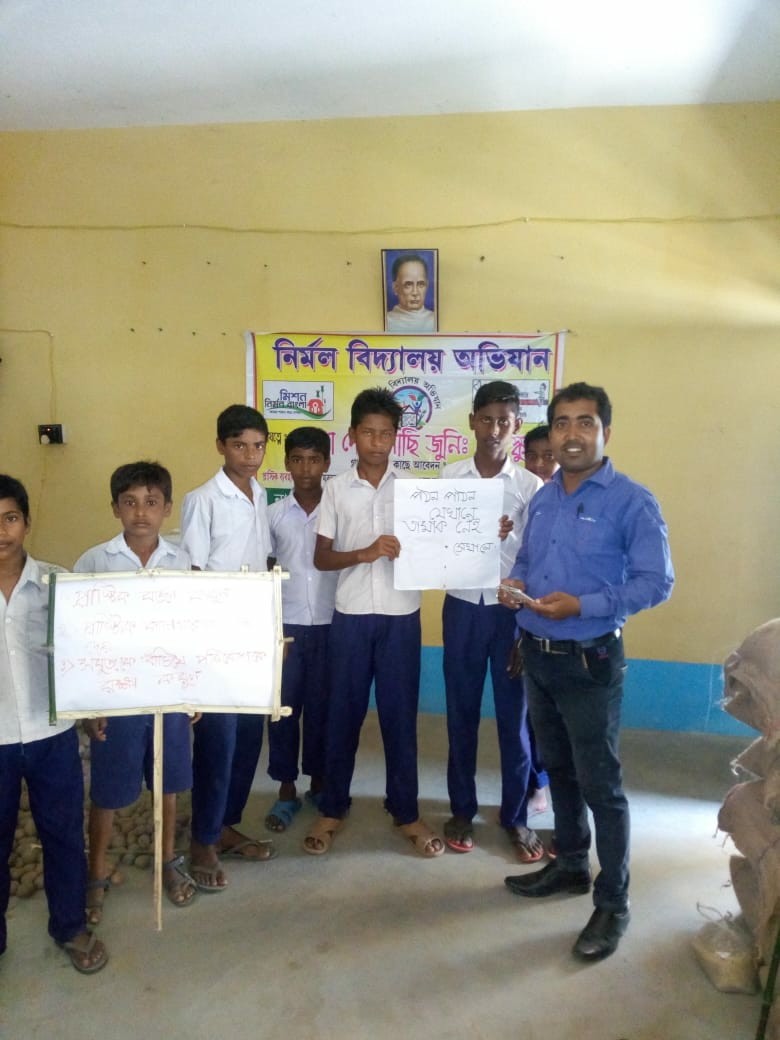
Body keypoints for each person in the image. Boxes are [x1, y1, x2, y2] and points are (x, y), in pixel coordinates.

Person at [500, 381, 674, 961]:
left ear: (605, 432)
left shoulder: (632, 501)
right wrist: (517, 582)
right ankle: (571, 865)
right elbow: (529, 558)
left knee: (602, 785)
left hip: (590, 660)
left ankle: (614, 902)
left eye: (585, 423)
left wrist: (584, 605)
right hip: (538, 656)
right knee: (559, 770)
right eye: (562, 423)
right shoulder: (544, 497)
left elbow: (656, 583)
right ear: (550, 433)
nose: (571, 434)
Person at [303, 387, 443, 858]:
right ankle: (332, 807)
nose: (377, 442)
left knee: (400, 718)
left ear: (396, 437)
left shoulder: (415, 490)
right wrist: (363, 553)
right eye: (368, 433)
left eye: (385, 433)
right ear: (352, 436)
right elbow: (321, 558)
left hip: (401, 617)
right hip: (351, 617)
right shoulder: (336, 489)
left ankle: (406, 811)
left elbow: (440, 548)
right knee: (342, 715)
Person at [74, 462, 198, 921]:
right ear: (115, 508)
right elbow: (78, 637)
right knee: (107, 791)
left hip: (168, 695)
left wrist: (193, 691)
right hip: (116, 698)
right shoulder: (94, 562)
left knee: (169, 783)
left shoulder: (181, 562)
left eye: (150, 502)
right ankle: (96, 870)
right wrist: (89, 705)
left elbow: (192, 630)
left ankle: (167, 860)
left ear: (167, 508)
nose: (140, 513)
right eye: (129, 502)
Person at [0, 474, 108, 974]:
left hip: (52, 733)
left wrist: (91, 708)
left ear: (26, 522)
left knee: (63, 834)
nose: (1, 531)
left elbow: (81, 654)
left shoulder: (56, 584)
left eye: (10, 518)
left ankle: (69, 925)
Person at [439, 381, 543, 859]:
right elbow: (433, 542)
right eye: (486, 419)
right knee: (460, 714)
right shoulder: (449, 478)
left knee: (513, 720)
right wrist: (467, 534)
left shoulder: (531, 487)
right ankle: (461, 810)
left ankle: (515, 816)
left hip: (509, 614)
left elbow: (540, 555)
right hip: (462, 607)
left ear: (516, 425)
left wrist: (519, 581)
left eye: (504, 420)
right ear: (472, 422)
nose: (494, 429)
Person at [180, 404, 276, 891]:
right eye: (240, 445)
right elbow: (193, 574)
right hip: (216, 639)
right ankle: (202, 840)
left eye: (258, 446)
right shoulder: (203, 500)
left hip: (254, 636)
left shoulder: (260, 494)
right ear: (221, 446)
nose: (250, 455)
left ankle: (224, 824)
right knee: (218, 742)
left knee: (248, 740)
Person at [264, 427, 337, 832]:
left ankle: (320, 783)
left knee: (324, 710)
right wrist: (273, 628)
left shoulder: (338, 510)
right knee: (284, 710)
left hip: (331, 624)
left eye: (314, 460)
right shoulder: (273, 515)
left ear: (326, 463)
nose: (305, 469)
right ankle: (286, 789)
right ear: (287, 463)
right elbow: (267, 572)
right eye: (297, 459)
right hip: (287, 628)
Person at [522, 423, 559, 817]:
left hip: (564, 623)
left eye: (548, 456)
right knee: (528, 710)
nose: (539, 464)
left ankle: (544, 782)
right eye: (531, 456)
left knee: (551, 713)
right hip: (523, 615)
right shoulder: (526, 497)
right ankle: (535, 781)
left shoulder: (570, 501)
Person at [385, 253, 436, 333]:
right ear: (395, 288)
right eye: (408, 284)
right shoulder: (386, 321)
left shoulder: (434, 320)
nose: (415, 292)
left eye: (420, 284)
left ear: (427, 285)